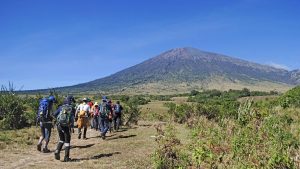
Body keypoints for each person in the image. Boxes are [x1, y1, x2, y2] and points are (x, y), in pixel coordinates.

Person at [53, 96, 76, 162]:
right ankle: (66, 157)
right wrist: (72, 126)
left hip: (59, 125)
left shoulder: (61, 107)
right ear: (70, 101)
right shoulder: (72, 108)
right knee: (67, 142)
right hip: (67, 127)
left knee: (61, 139)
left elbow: (54, 114)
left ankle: (57, 150)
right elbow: (73, 118)